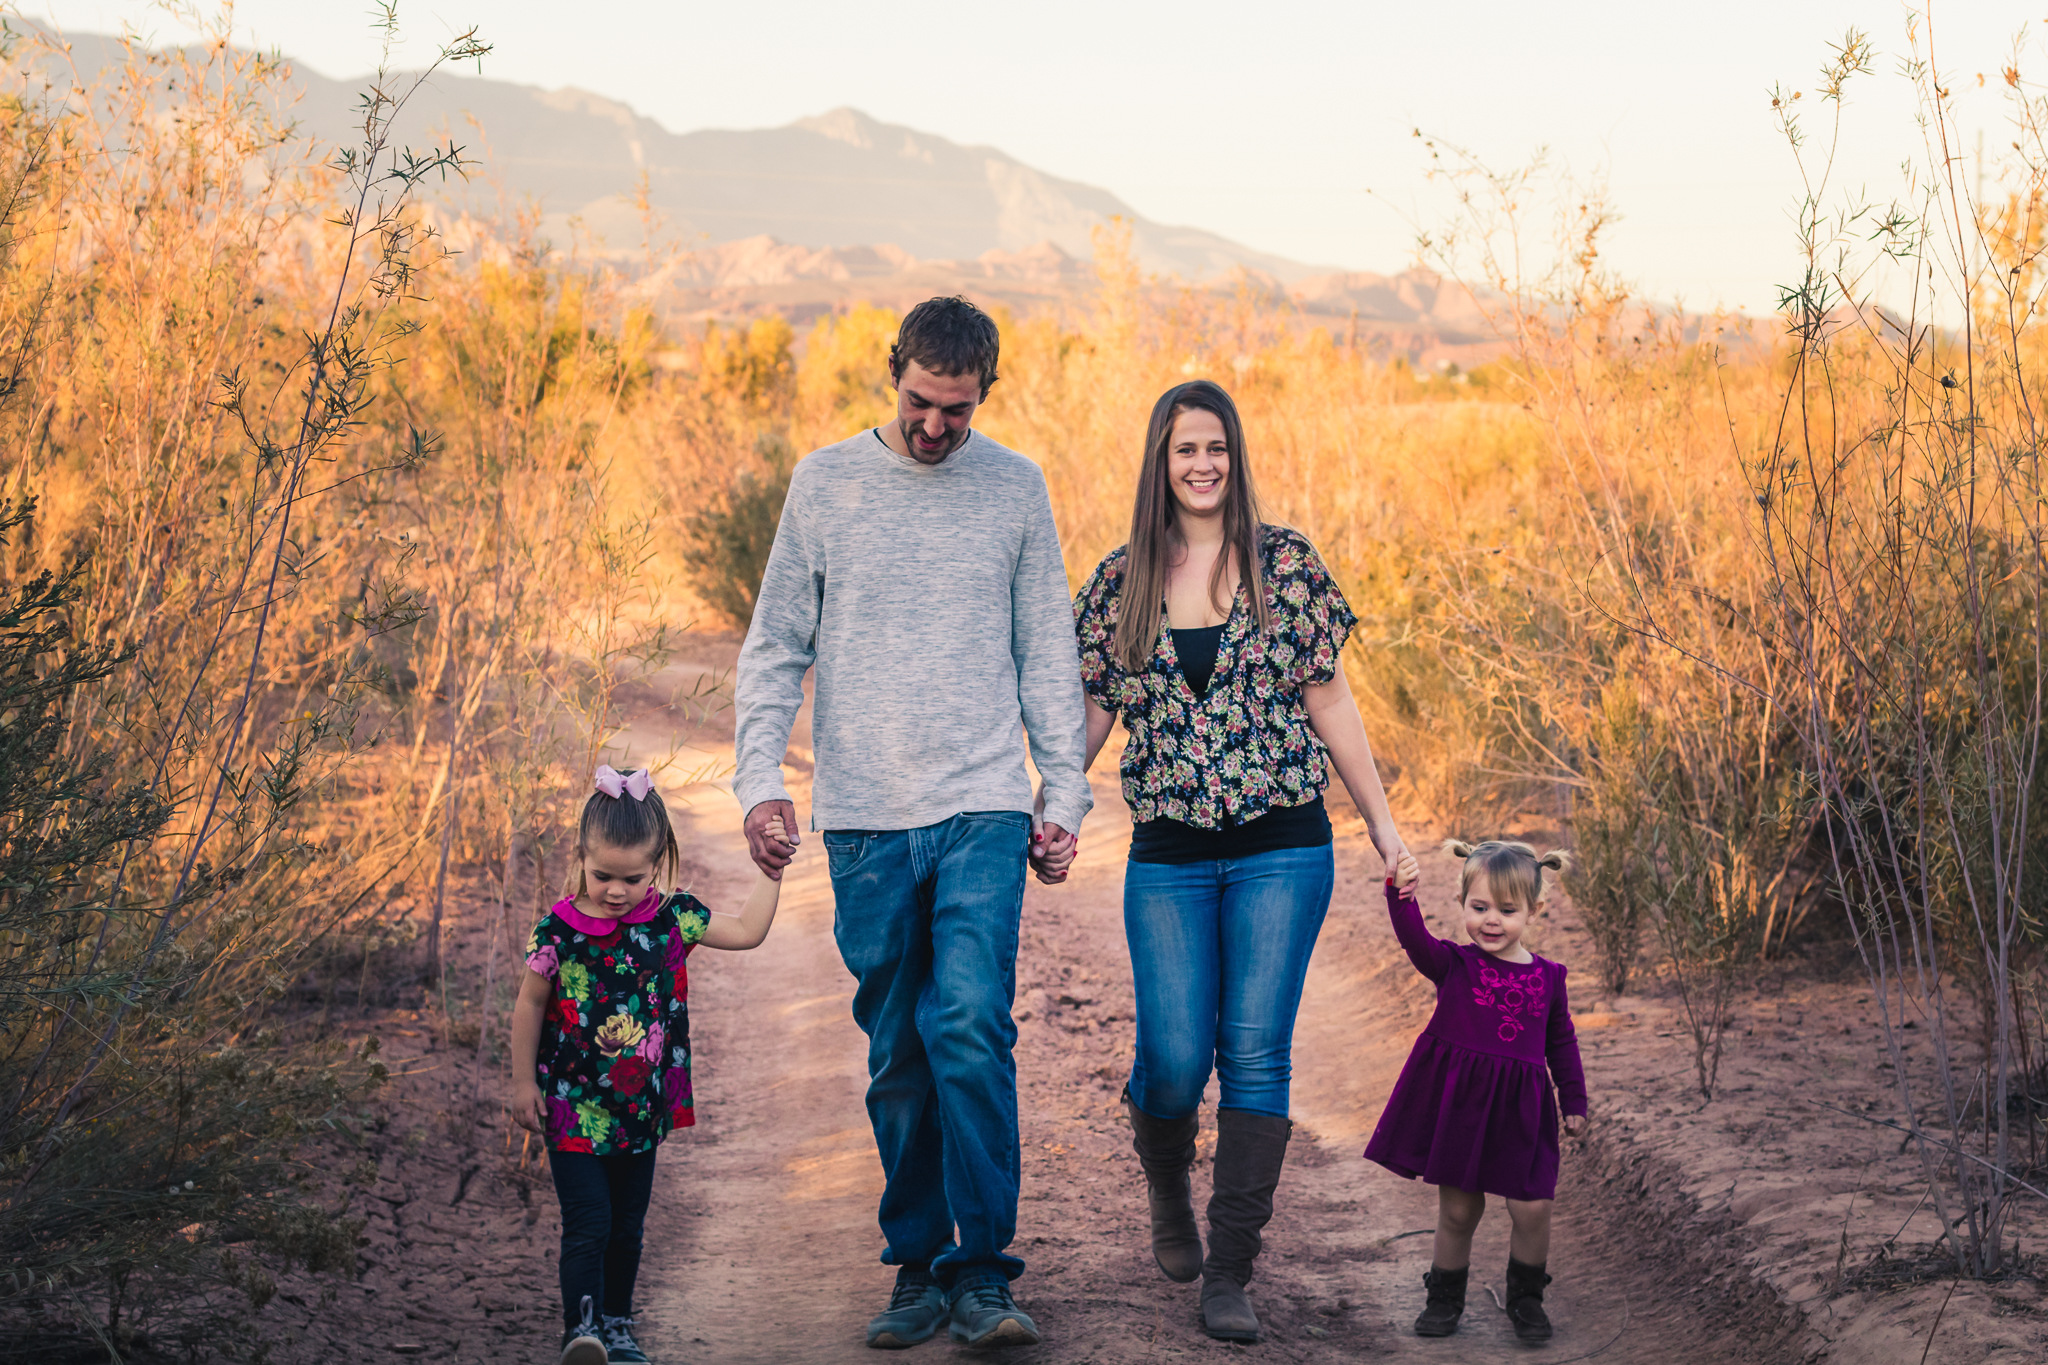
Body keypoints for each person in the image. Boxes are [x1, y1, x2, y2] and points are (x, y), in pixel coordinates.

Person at [733, 296, 1092, 1351]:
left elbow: (1048, 659)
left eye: (958, 411)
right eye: (921, 405)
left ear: (985, 394)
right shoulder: (825, 483)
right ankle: (915, 1266)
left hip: (981, 804)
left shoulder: (1015, 489)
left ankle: (981, 1272)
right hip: (863, 819)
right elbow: (774, 646)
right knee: (896, 1050)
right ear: (893, 378)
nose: (936, 428)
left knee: (969, 1028)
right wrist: (760, 778)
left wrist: (1060, 798)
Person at [1051, 379, 1408, 1343]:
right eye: (1183, 450)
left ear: (1233, 454)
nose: (1201, 464)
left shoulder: (1283, 565)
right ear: (1159, 464)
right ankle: (1166, 1171)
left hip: (1282, 846)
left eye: (1214, 446)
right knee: (1171, 1060)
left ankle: (1231, 1272)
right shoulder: (1120, 580)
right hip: (1166, 853)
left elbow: (1331, 701)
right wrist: (1050, 809)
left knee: (1255, 1051)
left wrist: (1382, 826)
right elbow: (1091, 716)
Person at [510, 765, 785, 1365]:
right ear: (581, 856)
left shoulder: (670, 918)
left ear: (656, 865)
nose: (615, 890)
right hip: (570, 1104)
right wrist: (522, 1081)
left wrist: (772, 873)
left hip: (639, 1109)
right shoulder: (557, 931)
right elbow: (530, 1004)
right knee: (589, 1222)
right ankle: (580, 1333)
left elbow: (746, 932)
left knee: (629, 1226)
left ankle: (617, 1326)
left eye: (632, 878)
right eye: (602, 874)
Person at [1365, 840, 1589, 1343]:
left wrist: (1573, 1100)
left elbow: (1562, 1042)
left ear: (1535, 910)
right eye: (1479, 907)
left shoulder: (1550, 978)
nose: (1491, 921)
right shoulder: (1455, 966)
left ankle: (1527, 1299)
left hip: (1523, 1112)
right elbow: (1414, 939)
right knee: (1460, 1209)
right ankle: (1444, 1297)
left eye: (1507, 911)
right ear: (1463, 903)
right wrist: (1400, 895)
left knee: (1532, 1206)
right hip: (1464, 1111)